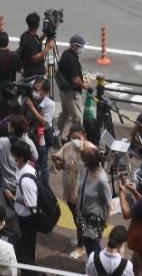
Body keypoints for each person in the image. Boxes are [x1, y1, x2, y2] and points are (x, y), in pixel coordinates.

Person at [52, 125, 91, 258]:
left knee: (80, 218)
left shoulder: (90, 149)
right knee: (75, 217)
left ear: (84, 136)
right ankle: (82, 237)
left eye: (78, 137)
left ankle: (81, 246)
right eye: (72, 137)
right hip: (69, 188)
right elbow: (60, 165)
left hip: (83, 192)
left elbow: (96, 168)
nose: (75, 140)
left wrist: (83, 151)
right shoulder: (67, 147)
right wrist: (56, 161)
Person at [10, 142, 39, 275]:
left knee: (26, 252)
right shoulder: (24, 168)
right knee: (25, 250)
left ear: (20, 157)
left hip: (27, 220)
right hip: (23, 217)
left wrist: (13, 197)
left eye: (14, 154)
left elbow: (31, 203)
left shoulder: (26, 179)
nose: (12, 156)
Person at [78, 147, 112, 257]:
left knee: (92, 244)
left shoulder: (101, 179)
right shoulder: (86, 170)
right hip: (83, 213)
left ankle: (97, 265)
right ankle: (93, 264)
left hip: (94, 217)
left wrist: (106, 219)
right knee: (88, 242)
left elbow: (108, 201)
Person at [24, 78, 55, 185]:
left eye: (37, 90)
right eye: (33, 89)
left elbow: (45, 122)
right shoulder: (31, 99)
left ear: (45, 92)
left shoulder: (49, 104)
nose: (34, 92)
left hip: (43, 137)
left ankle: (45, 186)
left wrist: (32, 107)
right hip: (31, 134)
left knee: (43, 163)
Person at [18, 13, 55, 78]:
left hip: (29, 71)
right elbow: (34, 58)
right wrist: (47, 48)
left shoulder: (25, 36)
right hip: (33, 75)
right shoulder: (29, 40)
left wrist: (45, 34)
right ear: (38, 24)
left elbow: (37, 41)